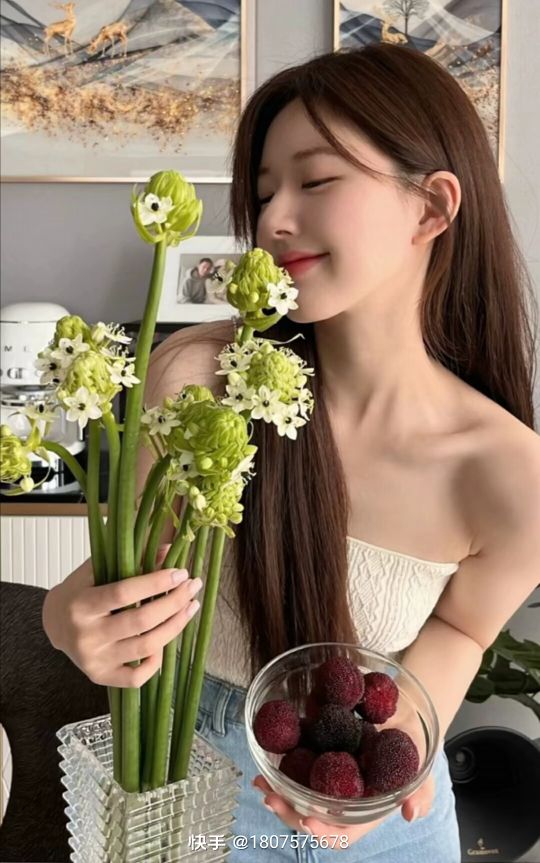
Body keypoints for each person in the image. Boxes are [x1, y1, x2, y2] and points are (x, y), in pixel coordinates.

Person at [42, 44, 539, 862]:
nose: (272, 220)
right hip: (191, 788)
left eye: (316, 180)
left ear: (430, 208)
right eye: (265, 190)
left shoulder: (512, 473)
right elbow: (139, 570)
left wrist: (395, 749)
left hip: (388, 825)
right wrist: (67, 617)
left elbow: (461, 629)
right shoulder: (201, 381)